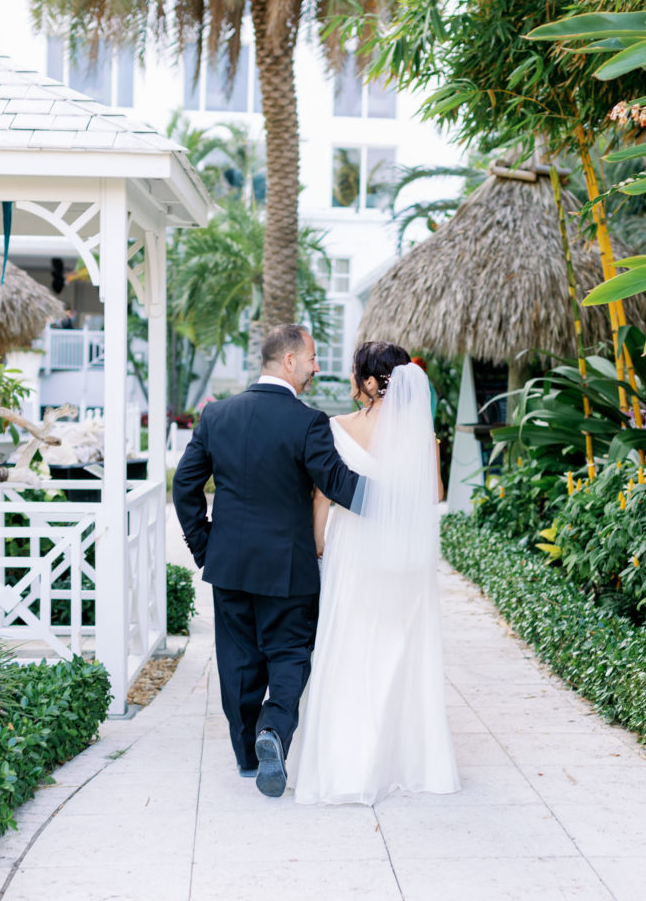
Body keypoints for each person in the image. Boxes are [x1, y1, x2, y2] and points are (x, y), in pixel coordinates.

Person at [172, 324, 362, 798]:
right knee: (291, 653)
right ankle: (273, 732)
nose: (318, 366)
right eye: (314, 358)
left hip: (230, 565)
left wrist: (205, 547)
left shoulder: (217, 416)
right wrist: (399, 500)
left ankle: (245, 757)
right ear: (290, 361)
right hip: (289, 567)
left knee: (237, 660)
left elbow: (184, 485)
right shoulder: (308, 422)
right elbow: (338, 483)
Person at [287, 341, 460, 805]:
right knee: (400, 652)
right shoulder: (420, 434)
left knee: (348, 645)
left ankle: (342, 761)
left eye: (353, 373)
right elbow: (433, 496)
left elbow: (323, 496)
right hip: (404, 556)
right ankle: (401, 759)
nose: (348, 379)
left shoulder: (336, 428)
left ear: (368, 382)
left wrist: (320, 544)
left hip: (353, 550)